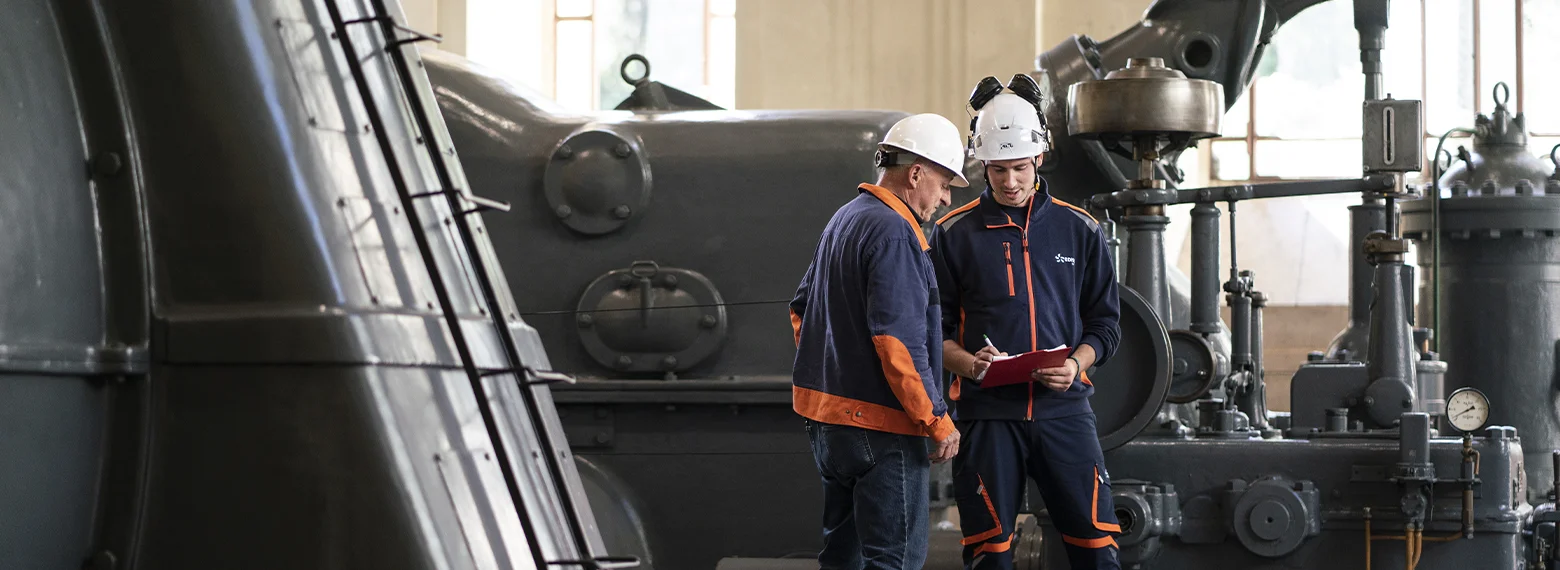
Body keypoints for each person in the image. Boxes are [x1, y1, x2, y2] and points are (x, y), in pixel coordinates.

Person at [928, 75, 1123, 570]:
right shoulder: (953, 234)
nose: (1009, 182)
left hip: (1066, 415)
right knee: (990, 555)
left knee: (1098, 549)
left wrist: (1077, 365)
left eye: (1019, 168)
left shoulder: (1081, 230)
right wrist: (972, 366)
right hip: (988, 419)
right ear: (982, 165)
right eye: (997, 170)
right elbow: (932, 331)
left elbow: (1106, 324)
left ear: (1039, 158)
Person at [790, 112, 970, 570]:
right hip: (883, 429)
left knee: (843, 558)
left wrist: (838, 373)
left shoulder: (845, 218)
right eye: (945, 182)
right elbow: (898, 343)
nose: (946, 198)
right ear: (915, 173)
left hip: (828, 426)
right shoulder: (895, 232)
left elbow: (800, 312)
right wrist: (936, 419)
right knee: (895, 561)